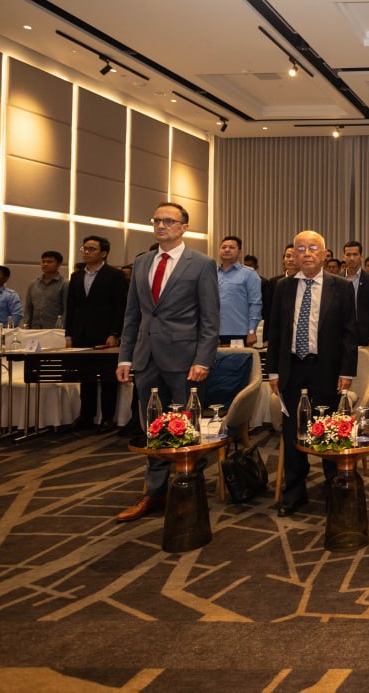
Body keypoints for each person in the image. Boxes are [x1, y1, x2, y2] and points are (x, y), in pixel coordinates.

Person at [113, 202, 220, 523]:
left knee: (186, 425)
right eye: (157, 220)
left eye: (169, 221)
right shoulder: (142, 261)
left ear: (184, 227)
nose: (161, 225)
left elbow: (210, 318)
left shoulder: (201, 264)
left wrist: (204, 359)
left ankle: (188, 487)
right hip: (146, 358)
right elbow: (132, 314)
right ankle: (155, 491)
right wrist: (125, 356)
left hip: (186, 360)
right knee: (153, 426)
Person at [266, 230, 359, 516]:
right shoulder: (283, 287)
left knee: (329, 428)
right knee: (292, 431)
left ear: (324, 254)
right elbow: (274, 332)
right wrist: (272, 372)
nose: (306, 253)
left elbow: (349, 334)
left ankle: (333, 488)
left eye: (313, 248)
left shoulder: (341, 287)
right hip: (291, 369)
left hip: (326, 369)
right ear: (293, 255)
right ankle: (295, 492)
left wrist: (347, 371)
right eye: (301, 249)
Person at [65, 236, 128, 431]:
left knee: (108, 378)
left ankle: (108, 417)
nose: (86, 252)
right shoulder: (76, 276)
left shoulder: (115, 275)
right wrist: (68, 335)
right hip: (81, 333)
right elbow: (71, 307)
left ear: (104, 253)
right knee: (86, 377)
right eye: (84, 248)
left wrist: (115, 332)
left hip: (105, 333)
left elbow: (120, 306)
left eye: (91, 249)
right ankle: (87, 416)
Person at [216, 235, 262, 345]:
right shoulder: (211, 273)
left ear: (240, 253)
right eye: (224, 247)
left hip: (239, 332)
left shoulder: (249, 274)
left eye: (231, 247)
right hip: (212, 332)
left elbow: (255, 304)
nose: (227, 250)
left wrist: (252, 331)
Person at [340, 240, 369, 347]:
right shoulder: (337, 279)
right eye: (348, 255)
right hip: (341, 335)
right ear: (344, 257)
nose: (352, 258)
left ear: (361, 256)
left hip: (364, 335)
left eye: (355, 254)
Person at [263, 243, 299, 342]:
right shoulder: (274, 282)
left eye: (294, 256)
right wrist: (267, 337)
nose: (291, 259)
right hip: (280, 330)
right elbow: (269, 312)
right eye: (288, 256)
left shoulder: (306, 281)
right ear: (283, 260)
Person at [24, 250, 67, 328]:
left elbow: (67, 309)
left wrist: (62, 328)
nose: (45, 264)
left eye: (49, 262)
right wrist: (25, 326)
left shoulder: (65, 284)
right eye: (43, 261)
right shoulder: (33, 283)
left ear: (58, 264)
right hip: (34, 328)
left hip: (54, 329)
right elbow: (28, 308)